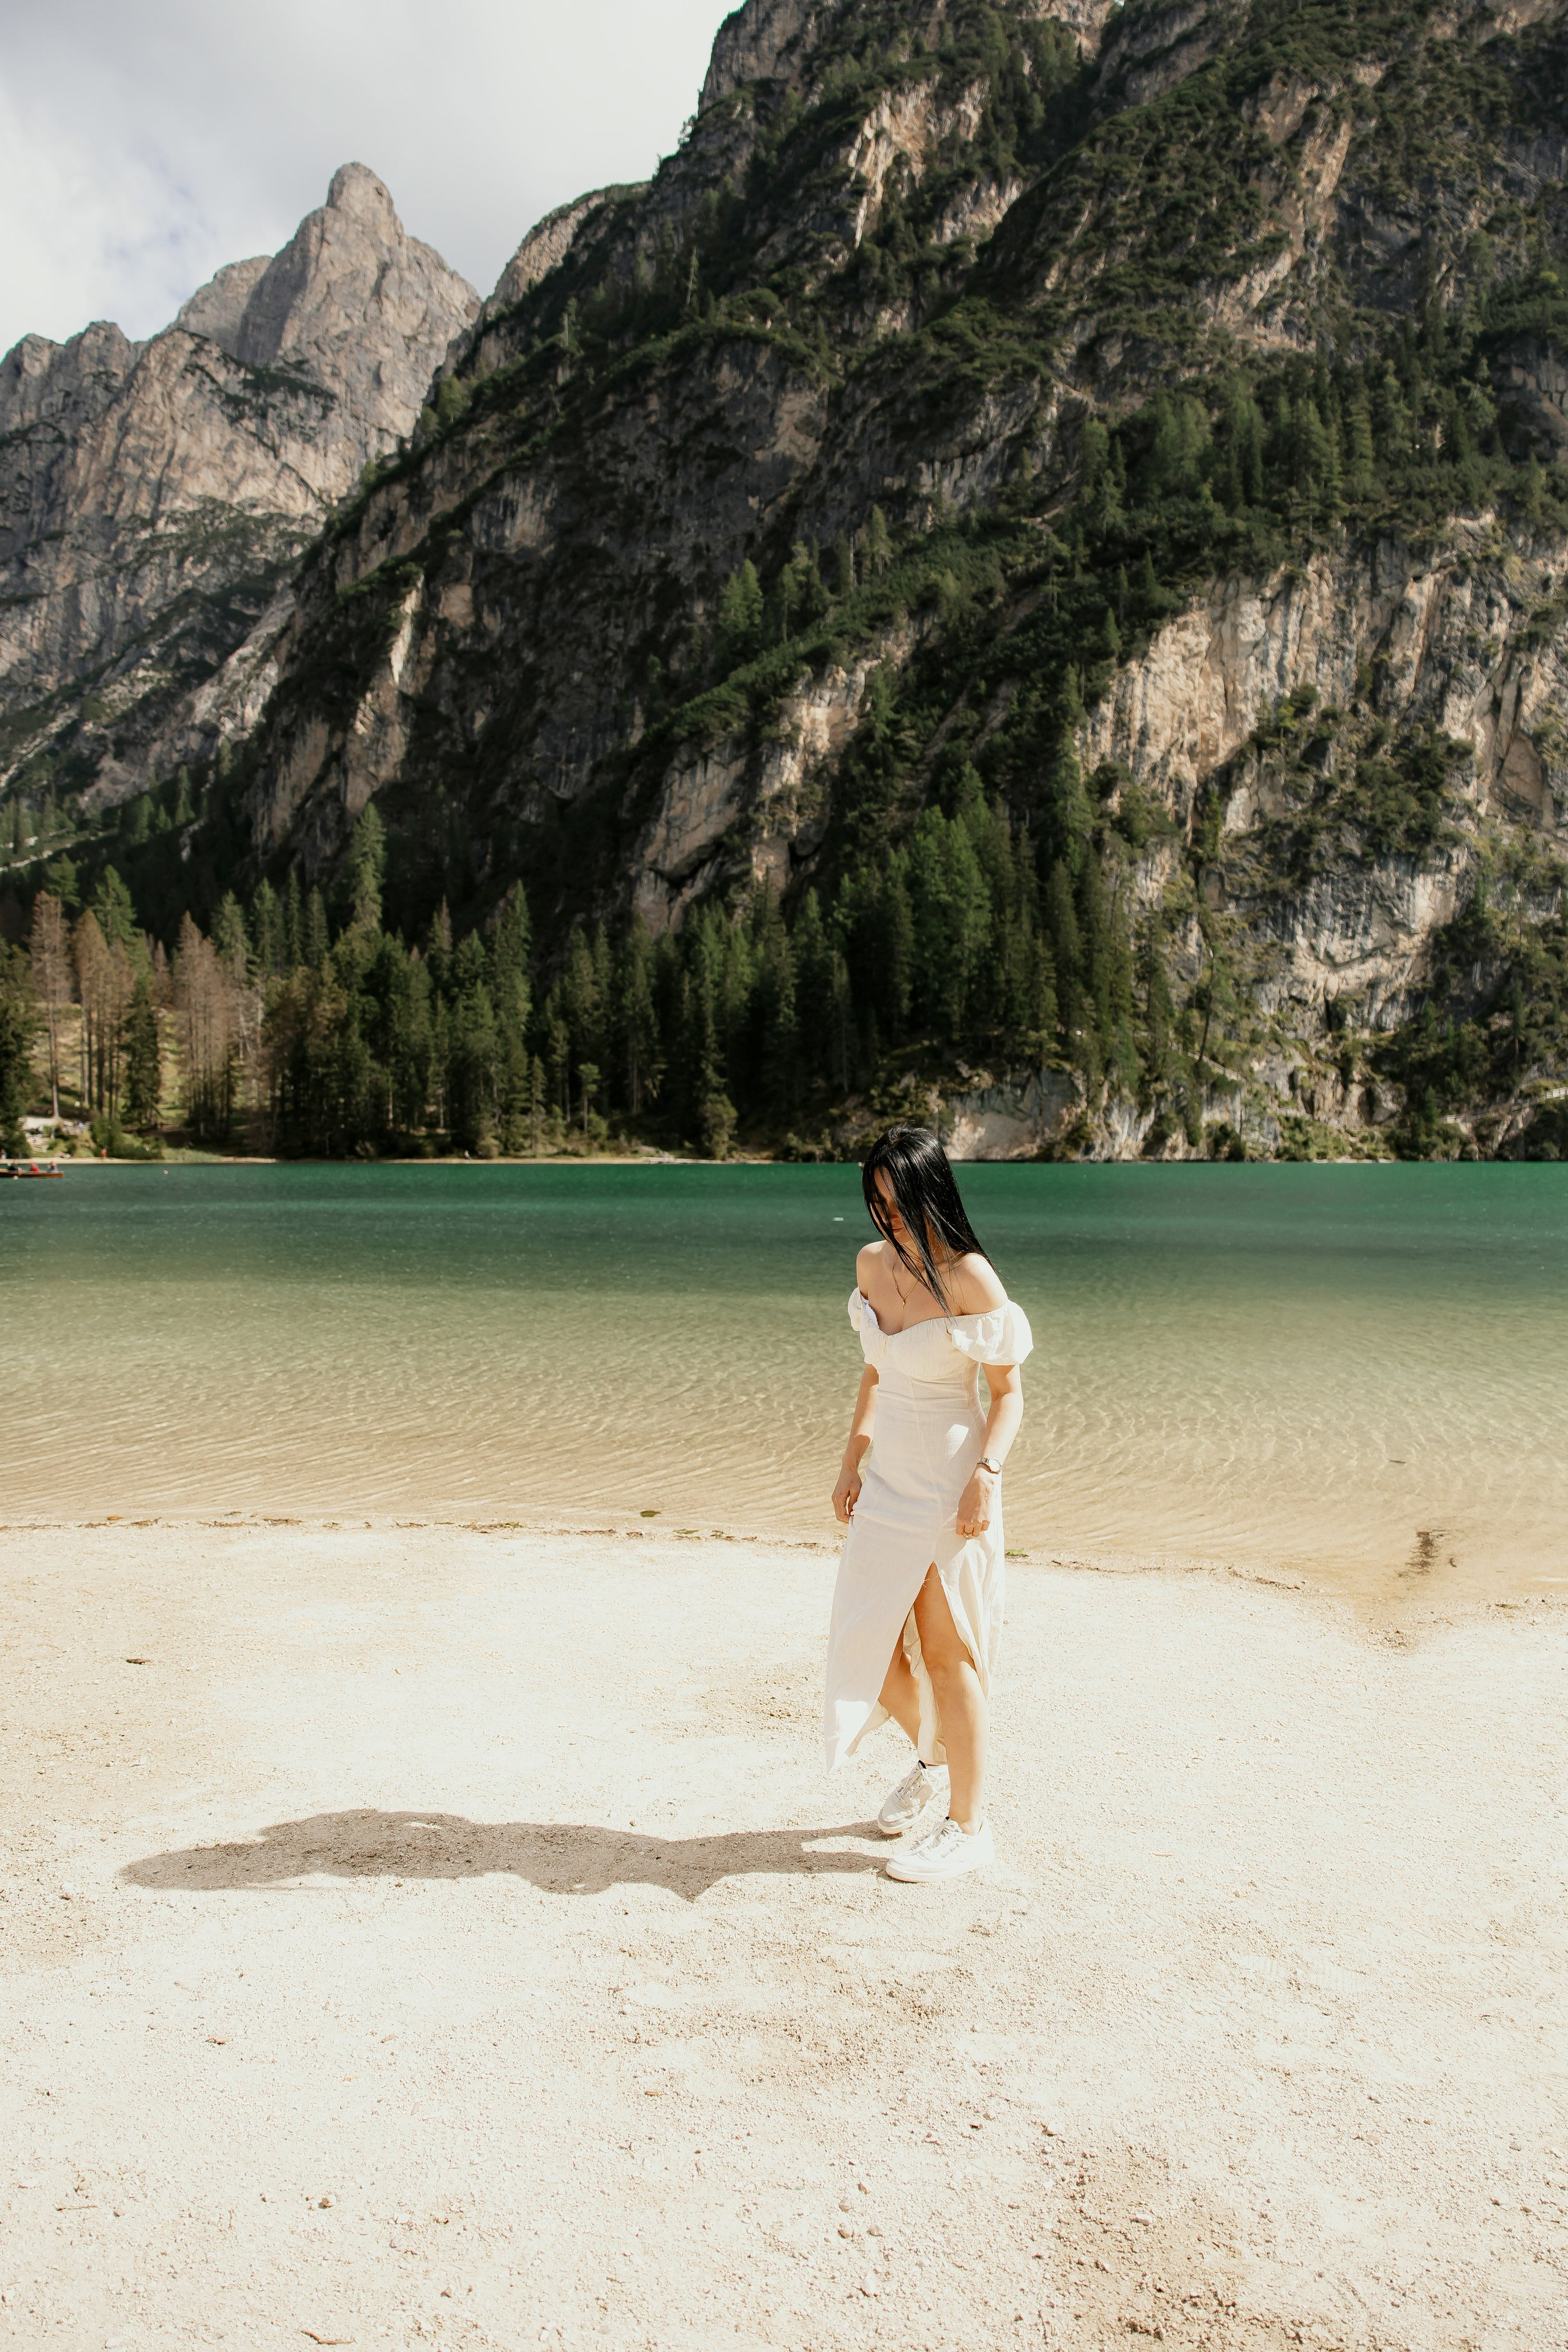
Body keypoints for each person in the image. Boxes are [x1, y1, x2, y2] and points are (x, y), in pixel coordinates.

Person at [826, 1124, 1032, 1882]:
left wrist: (988, 1471)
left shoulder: (970, 1278)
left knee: (949, 1657)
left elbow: (1008, 1395)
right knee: (872, 1648)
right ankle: (932, 1757)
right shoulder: (871, 1266)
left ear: (931, 1191)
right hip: (886, 1485)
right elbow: (875, 1374)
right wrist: (851, 1460)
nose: (888, 1218)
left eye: (900, 1201)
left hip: (952, 1484)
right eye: (876, 1203)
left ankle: (969, 1827)